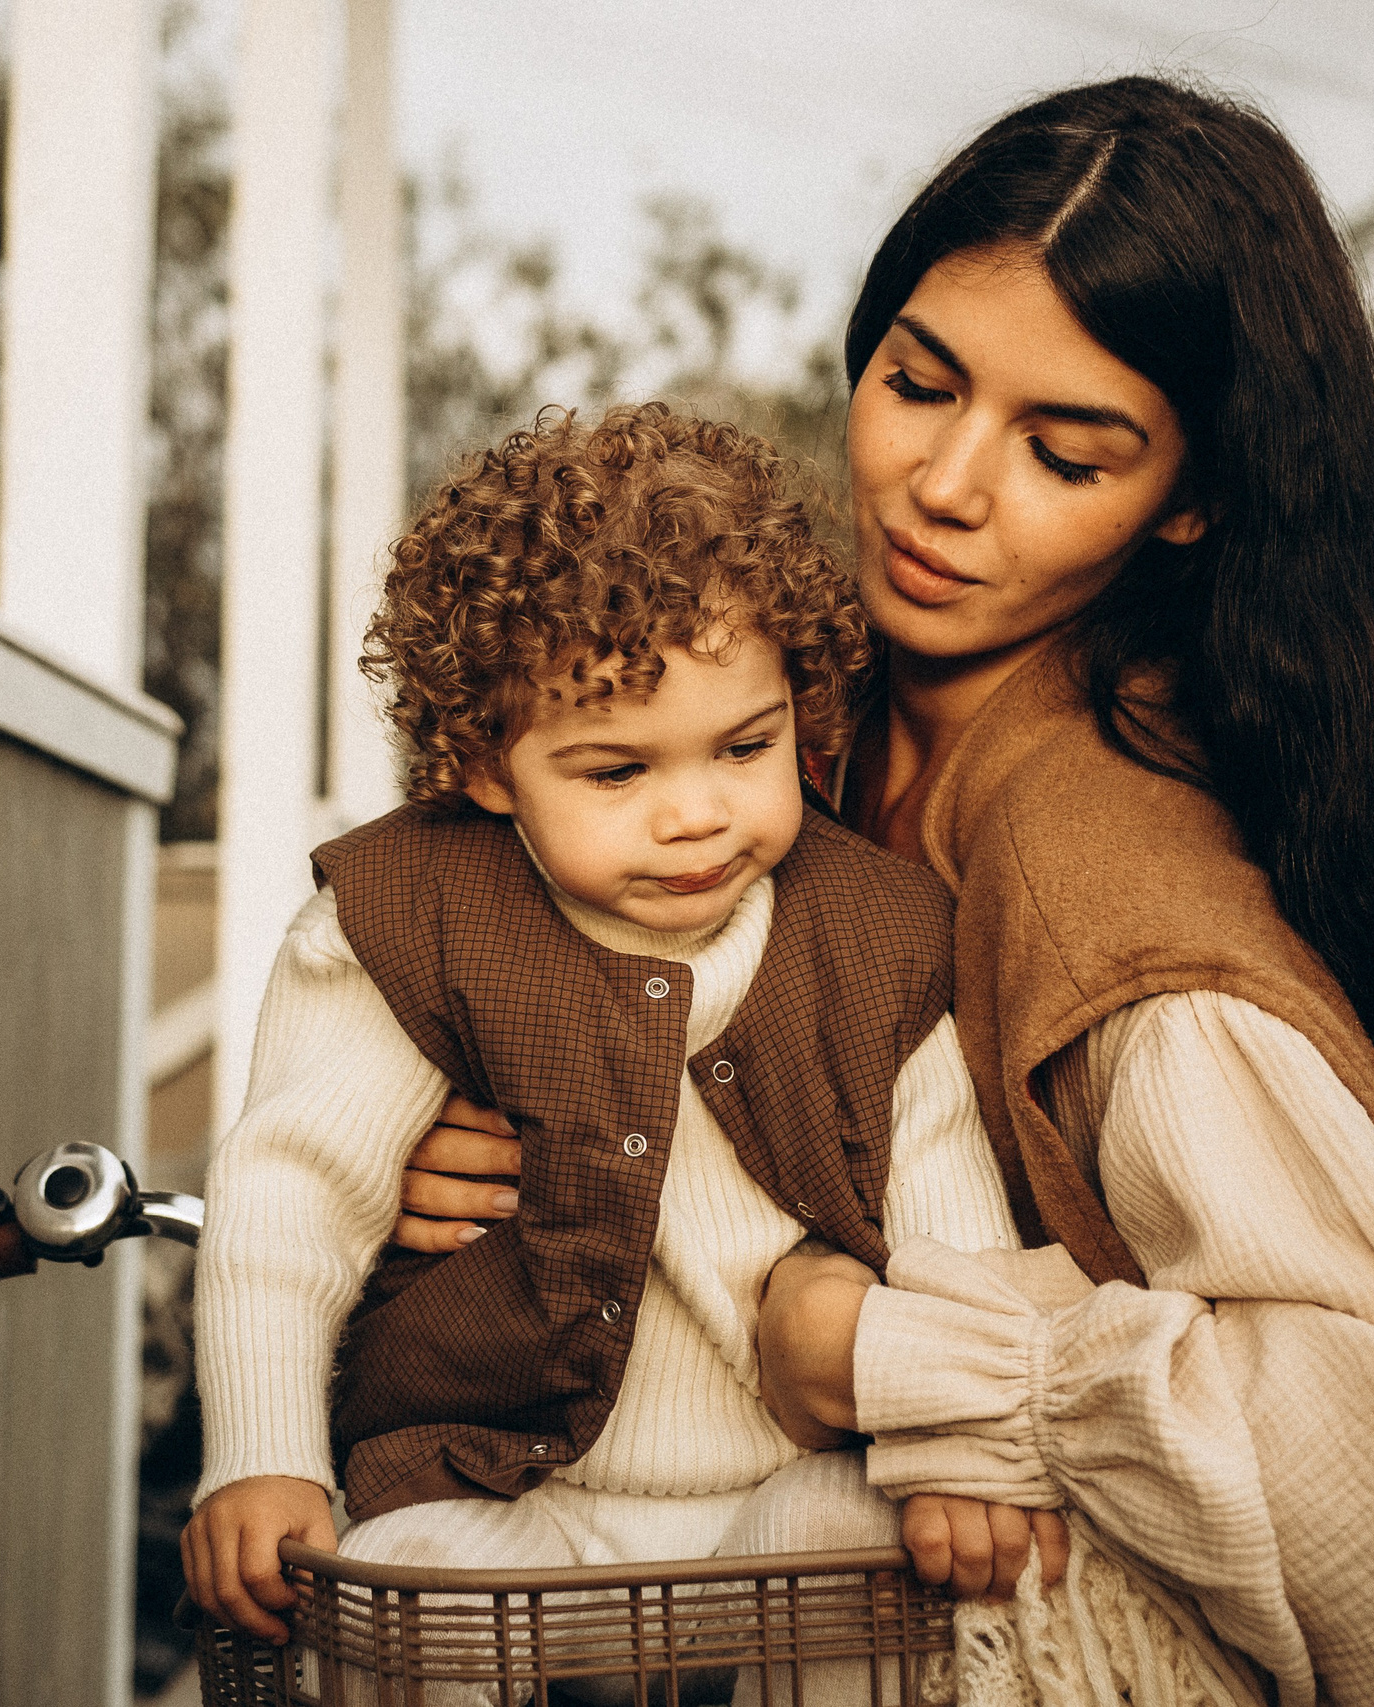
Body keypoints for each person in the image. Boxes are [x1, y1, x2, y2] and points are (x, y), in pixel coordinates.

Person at [397, 78, 1374, 1706]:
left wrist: (892, 1355)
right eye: (920, 383)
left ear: (1188, 500)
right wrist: (489, 1143)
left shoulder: (1106, 874)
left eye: (1065, 450)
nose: (946, 486)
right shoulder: (783, 726)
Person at [177, 405, 1029, 1657]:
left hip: (784, 1488)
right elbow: (292, 1192)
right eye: (616, 772)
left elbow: (951, 1215)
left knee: (887, 1566)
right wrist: (261, 1455)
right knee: (388, 1590)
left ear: (798, 704)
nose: (696, 814)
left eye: (745, 746)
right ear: (480, 762)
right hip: (511, 1491)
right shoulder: (407, 917)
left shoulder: (879, 933)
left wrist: (965, 1442)